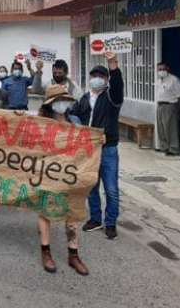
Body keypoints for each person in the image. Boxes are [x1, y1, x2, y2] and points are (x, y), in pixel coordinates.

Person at [68, 52, 124, 240]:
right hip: (89, 150)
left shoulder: (111, 97)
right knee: (91, 185)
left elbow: (117, 85)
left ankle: (110, 223)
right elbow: (71, 114)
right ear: (90, 78)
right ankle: (95, 218)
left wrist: (112, 64)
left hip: (108, 149)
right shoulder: (83, 99)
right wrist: (79, 127)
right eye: (94, 76)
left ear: (106, 80)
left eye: (101, 76)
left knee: (111, 189)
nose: (97, 79)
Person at [36, 85, 89, 275]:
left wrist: (98, 140)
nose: (62, 104)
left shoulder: (74, 120)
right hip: (48, 173)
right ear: (50, 103)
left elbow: (85, 142)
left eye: (64, 100)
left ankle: (73, 254)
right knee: (45, 211)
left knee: (72, 214)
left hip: (70, 174)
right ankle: (46, 252)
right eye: (58, 100)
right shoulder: (41, 122)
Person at [156, 62, 180, 156]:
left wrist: (178, 109)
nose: (161, 71)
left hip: (170, 105)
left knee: (171, 128)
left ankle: (174, 148)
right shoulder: (159, 80)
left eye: (163, 69)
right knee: (161, 128)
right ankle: (164, 147)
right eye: (159, 69)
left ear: (167, 69)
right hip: (160, 105)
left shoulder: (174, 80)